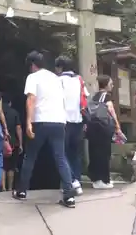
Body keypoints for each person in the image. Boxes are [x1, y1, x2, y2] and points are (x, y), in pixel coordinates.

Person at [13, 51, 76, 208]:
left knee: (30, 156)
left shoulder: (33, 77)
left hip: (40, 121)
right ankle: (69, 195)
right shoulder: (56, 78)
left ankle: (21, 191)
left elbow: (31, 99)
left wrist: (28, 122)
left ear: (32, 65)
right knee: (60, 157)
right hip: (59, 122)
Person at [55, 55, 89, 196]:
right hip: (78, 121)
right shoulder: (79, 80)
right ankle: (77, 182)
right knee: (75, 154)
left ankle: (71, 182)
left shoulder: (58, 81)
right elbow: (85, 97)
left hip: (64, 121)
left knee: (62, 154)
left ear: (60, 67)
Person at [87, 75, 122, 189]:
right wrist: (117, 126)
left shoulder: (94, 96)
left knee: (94, 153)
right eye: (111, 84)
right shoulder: (106, 96)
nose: (112, 85)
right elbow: (111, 110)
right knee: (104, 153)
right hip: (103, 128)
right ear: (106, 85)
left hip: (92, 127)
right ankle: (103, 180)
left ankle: (96, 179)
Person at [1, 94, 23, 191]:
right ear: (10, 103)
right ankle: (10, 188)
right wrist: (21, 143)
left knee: (2, 165)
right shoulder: (14, 113)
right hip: (13, 142)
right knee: (11, 166)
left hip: (1, 141)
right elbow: (18, 128)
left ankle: (3, 187)